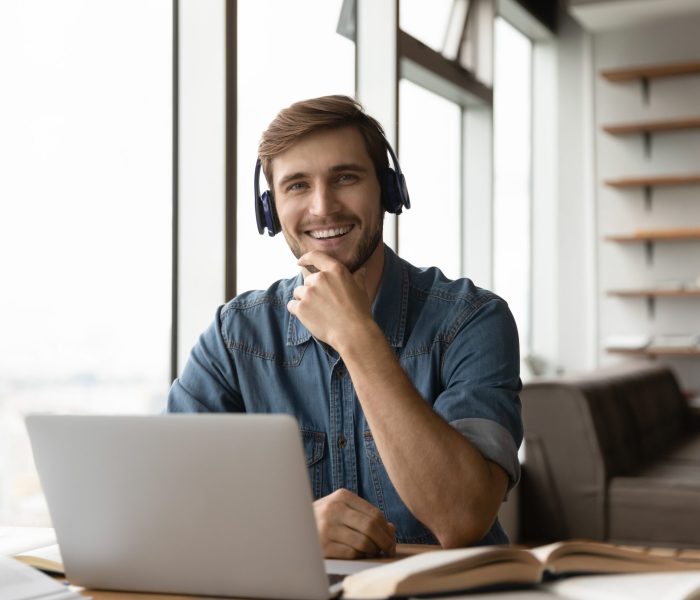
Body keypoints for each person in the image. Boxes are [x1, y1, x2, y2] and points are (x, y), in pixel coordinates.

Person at [167, 95, 523, 559]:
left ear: (388, 190)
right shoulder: (235, 337)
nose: (322, 207)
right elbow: (170, 502)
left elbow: (461, 517)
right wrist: (287, 533)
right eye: (297, 186)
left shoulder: (472, 319)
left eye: (346, 177)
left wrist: (357, 337)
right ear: (271, 210)